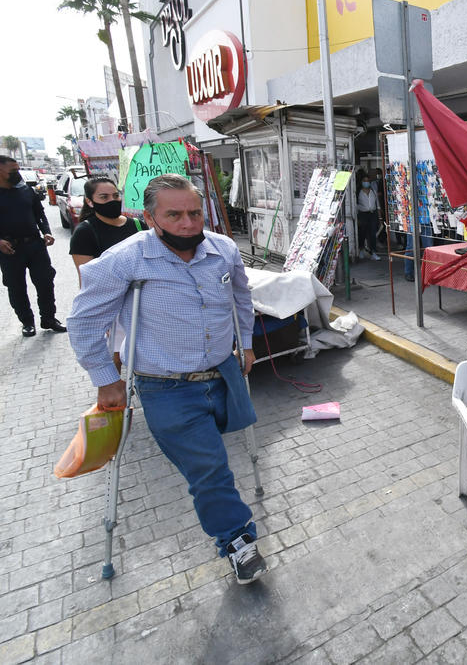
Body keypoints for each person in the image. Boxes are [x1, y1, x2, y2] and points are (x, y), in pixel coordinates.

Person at [67, 174, 267, 584]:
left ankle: (227, 519)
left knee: (219, 454)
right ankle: (236, 539)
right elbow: (84, 321)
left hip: (223, 374)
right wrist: (105, 378)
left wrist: (246, 344)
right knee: (210, 468)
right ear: (149, 217)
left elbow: (241, 298)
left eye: (195, 213)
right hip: (166, 387)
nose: (188, 223)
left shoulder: (224, 250)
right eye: (174, 215)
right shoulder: (126, 259)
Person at [0, 155, 65, 337]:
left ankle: (49, 319)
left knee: (45, 282)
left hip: (35, 245)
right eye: (13, 171)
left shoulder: (26, 191)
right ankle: (27, 322)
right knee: (16, 287)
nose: (17, 174)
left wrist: (46, 231)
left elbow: (40, 214)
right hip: (10, 250)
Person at [69, 177, 145, 281]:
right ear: (89, 201)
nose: (112, 200)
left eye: (116, 196)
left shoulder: (138, 225)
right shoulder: (84, 233)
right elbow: (87, 280)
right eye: (104, 197)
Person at [355, 171, 381, 261]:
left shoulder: (373, 191)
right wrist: (357, 217)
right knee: (362, 232)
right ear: (362, 182)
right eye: (364, 181)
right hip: (363, 214)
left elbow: (377, 203)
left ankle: (373, 252)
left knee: (372, 233)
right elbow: (355, 205)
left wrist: (379, 216)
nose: (366, 182)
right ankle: (361, 249)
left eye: (367, 181)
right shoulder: (358, 192)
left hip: (372, 213)